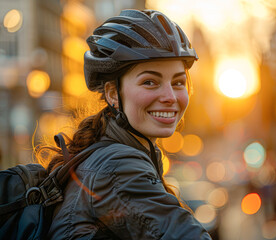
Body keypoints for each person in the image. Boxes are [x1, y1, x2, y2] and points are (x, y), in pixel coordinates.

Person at [42, 9, 212, 239]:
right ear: (113, 94)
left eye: (178, 82)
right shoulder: (117, 166)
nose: (170, 96)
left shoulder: (107, 156)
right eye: (150, 82)